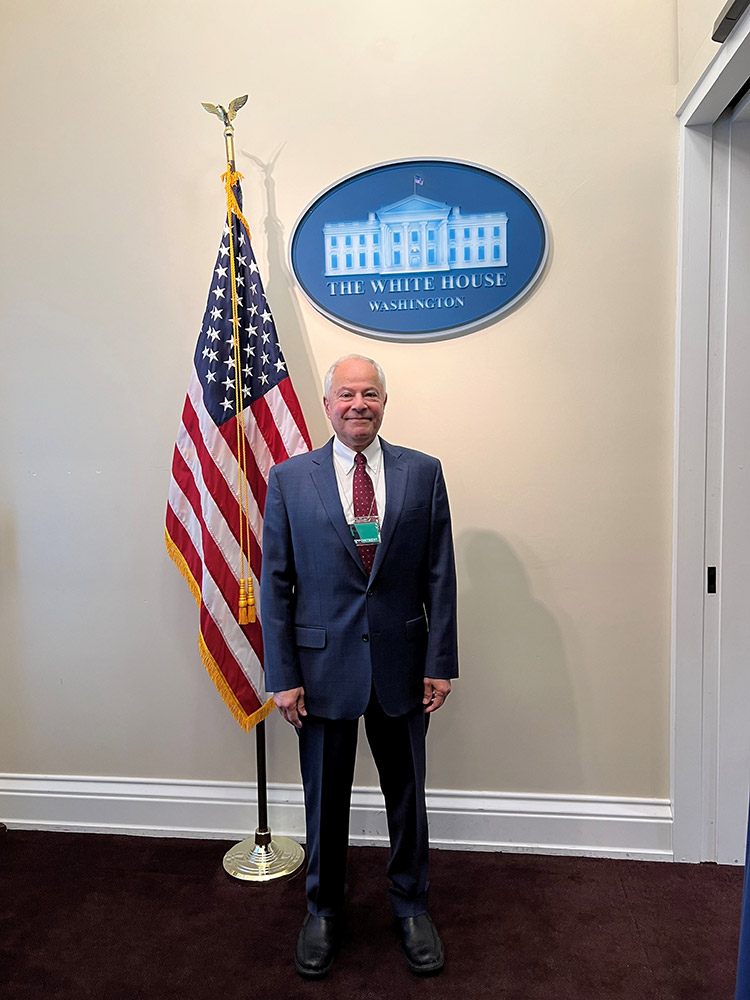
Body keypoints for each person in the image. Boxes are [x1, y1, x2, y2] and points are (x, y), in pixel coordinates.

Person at [260, 354, 458, 979]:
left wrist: (440, 661)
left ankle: (411, 905)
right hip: (320, 673)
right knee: (325, 800)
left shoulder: (423, 474)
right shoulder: (290, 480)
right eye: (346, 394)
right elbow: (277, 584)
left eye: (369, 394)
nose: (358, 405)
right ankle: (323, 910)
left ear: (384, 401)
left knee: (408, 796)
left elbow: (439, 576)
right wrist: (283, 674)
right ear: (327, 405)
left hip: (403, 666)